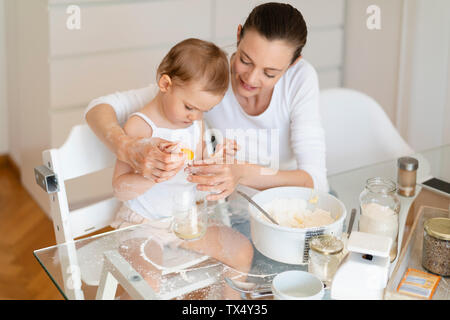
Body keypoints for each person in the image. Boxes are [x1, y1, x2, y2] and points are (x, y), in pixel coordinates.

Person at [85, 3, 329, 202]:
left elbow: (316, 181)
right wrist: (127, 148)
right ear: (238, 36)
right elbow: (99, 108)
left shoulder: (300, 79)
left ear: (293, 64)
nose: (251, 79)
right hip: (234, 209)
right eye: (245, 59)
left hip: (287, 203)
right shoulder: (211, 75)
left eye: (270, 73)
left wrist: (241, 171)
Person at [109, 38, 254, 300]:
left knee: (242, 251)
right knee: (147, 284)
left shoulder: (194, 124)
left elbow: (196, 171)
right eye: (190, 107)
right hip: (142, 223)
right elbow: (120, 188)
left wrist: (217, 162)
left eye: (204, 110)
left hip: (184, 219)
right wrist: (152, 174)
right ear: (165, 84)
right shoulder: (140, 127)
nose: (196, 117)